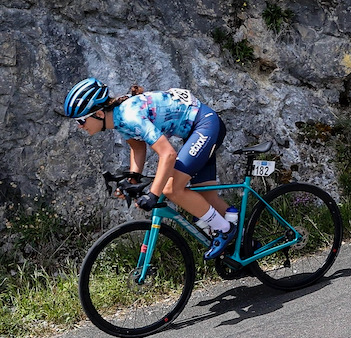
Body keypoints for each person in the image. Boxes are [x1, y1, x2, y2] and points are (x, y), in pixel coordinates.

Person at [65, 78, 238, 259]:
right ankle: (245, 245)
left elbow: (168, 154)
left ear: (99, 114)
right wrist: (132, 181)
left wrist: (153, 194)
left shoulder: (130, 117)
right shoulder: (119, 119)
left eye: (82, 120)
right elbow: (138, 147)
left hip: (205, 125)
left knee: (171, 189)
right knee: (207, 197)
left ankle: (225, 230)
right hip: (198, 130)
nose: (80, 126)